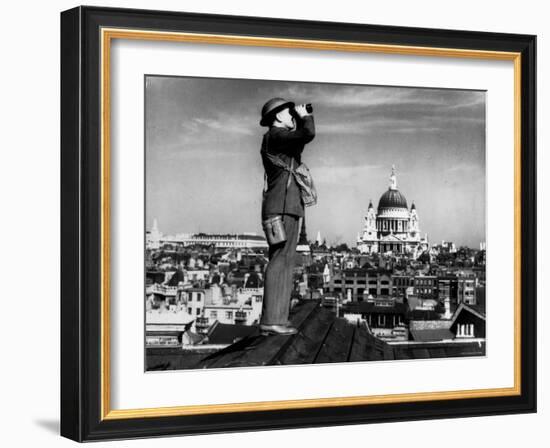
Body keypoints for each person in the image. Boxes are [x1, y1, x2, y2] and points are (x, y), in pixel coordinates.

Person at [258, 97, 315, 335]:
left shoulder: (281, 140)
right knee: (280, 261)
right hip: (281, 208)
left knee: (286, 262)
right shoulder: (275, 135)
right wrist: (305, 116)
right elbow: (307, 134)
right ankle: (271, 319)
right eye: (288, 112)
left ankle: (277, 320)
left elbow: (300, 141)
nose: (292, 115)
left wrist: (301, 120)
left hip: (287, 206)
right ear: (278, 116)